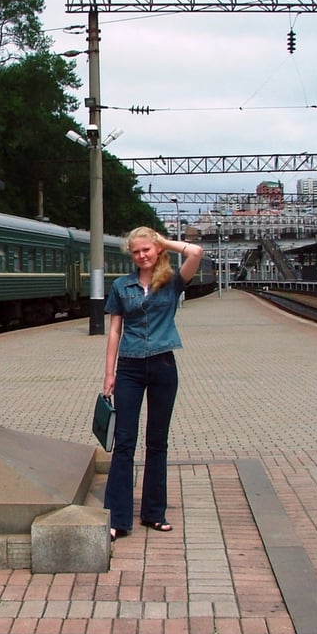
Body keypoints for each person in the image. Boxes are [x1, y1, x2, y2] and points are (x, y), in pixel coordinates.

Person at [103, 227, 204, 540]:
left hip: (163, 365)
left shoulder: (173, 282)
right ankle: (118, 518)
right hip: (130, 368)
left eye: (146, 249)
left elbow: (196, 253)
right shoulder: (121, 286)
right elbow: (115, 331)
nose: (141, 256)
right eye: (136, 252)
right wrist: (109, 374)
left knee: (157, 442)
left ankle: (154, 513)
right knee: (124, 443)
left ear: (157, 250)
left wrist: (164, 241)